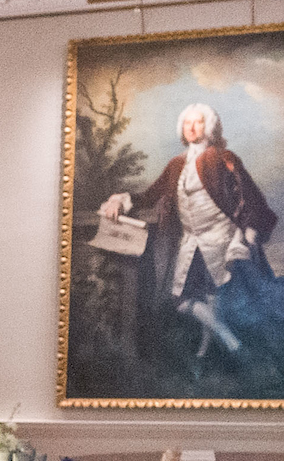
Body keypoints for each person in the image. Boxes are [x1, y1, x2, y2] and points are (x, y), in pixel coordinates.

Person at [100, 102, 278, 362]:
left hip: (221, 239)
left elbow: (249, 194)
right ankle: (230, 341)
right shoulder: (177, 164)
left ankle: (207, 352)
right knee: (180, 300)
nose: (191, 127)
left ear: (210, 127)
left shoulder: (224, 158)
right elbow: (150, 195)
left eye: (198, 122)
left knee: (215, 296)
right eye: (187, 123)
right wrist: (120, 200)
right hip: (191, 241)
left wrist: (249, 229)